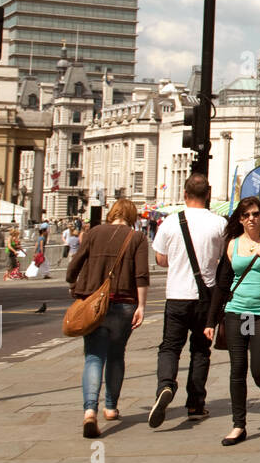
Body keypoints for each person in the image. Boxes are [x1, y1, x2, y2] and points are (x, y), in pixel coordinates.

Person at [208, 196, 260, 446]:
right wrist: (210, 321)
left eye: (255, 214)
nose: (251, 219)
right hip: (237, 312)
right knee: (237, 368)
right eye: (246, 215)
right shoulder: (232, 244)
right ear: (240, 220)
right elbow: (222, 284)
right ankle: (238, 425)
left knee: (258, 368)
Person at [148, 174, 228, 428]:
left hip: (177, 295)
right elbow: (224, 259)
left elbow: (160, 259)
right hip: (206, 297)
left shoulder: (170, 222)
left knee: (170, 346)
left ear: (184, 194)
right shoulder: (219, 223)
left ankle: (166, 384)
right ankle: (195, 403)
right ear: (209, 194)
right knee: (200, 351)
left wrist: (178, 259)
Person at [66, 198, 150, 438]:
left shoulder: (94, 233)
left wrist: (74, 283)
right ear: (132, 217)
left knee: (93, 357)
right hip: (124, 304)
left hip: (94, 304)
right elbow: (141, 275)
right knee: (116, 355)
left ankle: (89, 411)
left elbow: (74, 266)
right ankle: (111, 407)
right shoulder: (137, 238)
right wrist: (142, 306)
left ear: (111, 213)